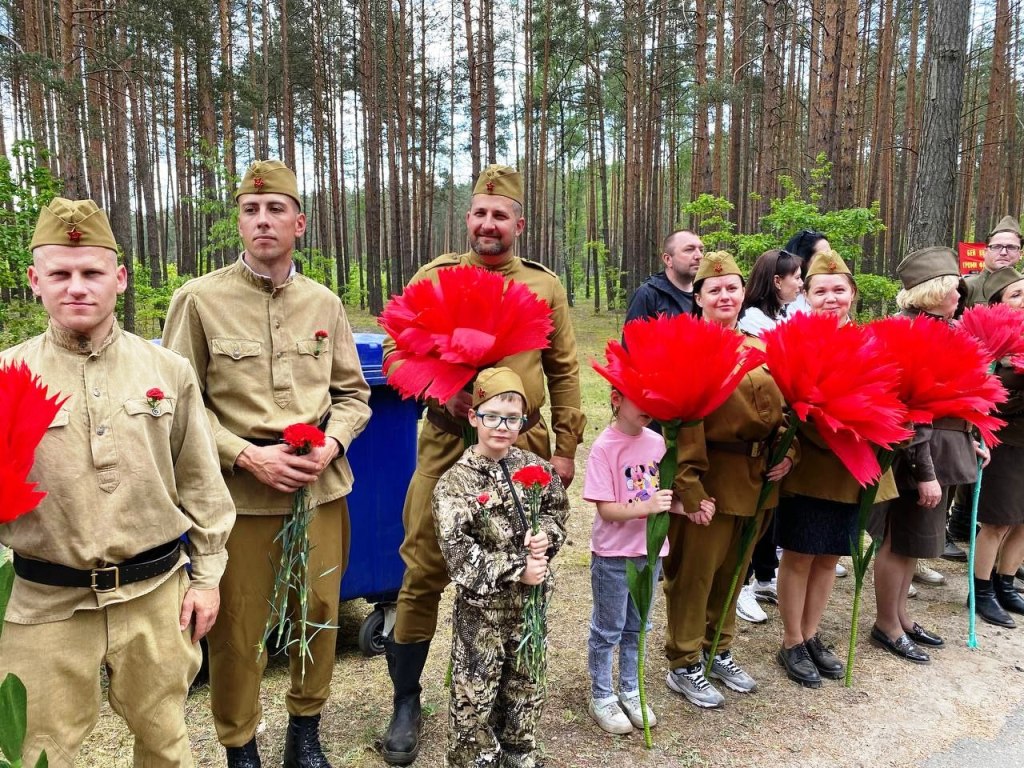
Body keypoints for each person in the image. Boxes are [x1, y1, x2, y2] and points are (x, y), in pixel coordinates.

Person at [0, 198, 235, 767]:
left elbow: (202, 485)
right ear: (35, 281)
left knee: (165, 744)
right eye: (59, 273)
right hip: (44, 604)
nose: (75, 287)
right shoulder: (7, 375)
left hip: (155, 596)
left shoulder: (167, 372)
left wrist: (205, 579)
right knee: (39, 752)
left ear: (120, 279)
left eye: (92, 272)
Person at [163, 160, 372, 768]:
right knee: (239, 628)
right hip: (241, 496)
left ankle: (305, 731)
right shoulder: (198, 301)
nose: (263, 221)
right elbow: (180, 403)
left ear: (299, 223)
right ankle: (240, 744)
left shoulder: (324, 302)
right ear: (239, 221)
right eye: (251, 210)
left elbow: (354, 396)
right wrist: (247, 455)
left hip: (319, 490)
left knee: (321, 614)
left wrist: (331, 445)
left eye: (276, 209)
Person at [381, 164, 585, 765]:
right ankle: (406, 700)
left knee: (518, 567)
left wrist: (567, 447)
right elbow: (395, 348)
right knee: (422, 567)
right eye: (479, 213)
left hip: (522, 448)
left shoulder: (543, 288)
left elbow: (565, 369)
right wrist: (440, 395)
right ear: (468, 218)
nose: (488, 224)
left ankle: (507, 702)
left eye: (500, 215)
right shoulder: (437, 276)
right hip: (447, 440)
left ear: (519, 223)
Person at [663, 251, 797, 709]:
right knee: (695, 575)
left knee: (734, 573)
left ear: (744, 293)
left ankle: (716, 647)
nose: (725, 295)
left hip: (758, 480)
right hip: (711, 479)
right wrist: (690, 489)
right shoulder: (687, 345)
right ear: (697, 296)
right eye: (713, 289)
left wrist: (789, 453)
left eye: (732, 287)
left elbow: (785, 411)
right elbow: (679, 423)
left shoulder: (760, 348)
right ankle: (683, 661)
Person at [432, 367, 569, 767]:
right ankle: (477, 757)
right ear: (474, 417)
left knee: (526, 682)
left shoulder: (534, 466)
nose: (502, 427)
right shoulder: (456, 483)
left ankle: (517, 751)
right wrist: (515, 568)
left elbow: (557, 511)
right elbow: (458, 554)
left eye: (512, 419)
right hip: (483, 612)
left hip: (530, 608)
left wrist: (546, 536)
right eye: (492, 416)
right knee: (475, 692)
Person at [773, 251, 898, 688]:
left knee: (829, 557)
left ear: (853, 294)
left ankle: (811, 634)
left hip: (852, 472)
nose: (830, 299)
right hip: (810, 469)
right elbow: (781, 409)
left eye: (838, 290)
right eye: (820, 291)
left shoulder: (871, 342)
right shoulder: (793, 338)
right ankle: (790, 639)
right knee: (801, 553)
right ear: (805, 295)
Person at [868, 246, 986, 665]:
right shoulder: (907, 332)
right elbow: (911, 411)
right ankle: (886, 623)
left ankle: (900, 615)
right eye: (954, 288)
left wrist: (973, 436)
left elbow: (958, 398)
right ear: (934, 291)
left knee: (913, 543)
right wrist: (925, 472)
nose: (961, 295)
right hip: (918, 455)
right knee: (898, 541)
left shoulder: (946, 329)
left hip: (945, 449)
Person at [582, 388, 672, 734]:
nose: (648, 408)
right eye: (640, 399)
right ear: (616, 399)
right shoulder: (605, 447)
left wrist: (690, 508)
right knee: (608, 628)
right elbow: (607, 509)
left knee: (638, 626)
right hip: (614, 556)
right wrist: (645, 507)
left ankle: (631, 690)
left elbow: (666, 496)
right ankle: (602, 694)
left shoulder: (658, 443)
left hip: (650, 554)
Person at [736, 248, 806, 621]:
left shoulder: (787, 316)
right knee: (753, 515)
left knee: (768, 513)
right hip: (759, 426)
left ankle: (760, 577)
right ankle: (743, 585)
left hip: (780, 428)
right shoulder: (753, 325)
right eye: (795, 276)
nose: (800, 282)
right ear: (776, 282)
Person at [948, 216, 1023, 559]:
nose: (1004, 252)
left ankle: (988, 541)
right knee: (959, 449)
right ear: (986, 250)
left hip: (1007, 381)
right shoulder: (968, 285)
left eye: (1011, 247)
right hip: (971, 372)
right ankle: (955, 524)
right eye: (998, 246)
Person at [971, 267, 1024, 627]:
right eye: (1016, 294)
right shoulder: (987, 344)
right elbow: (985, 399)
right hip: (1002, 442)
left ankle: (1007, 583)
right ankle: (982, 589)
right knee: (998, 521)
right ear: (997, 303)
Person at [624, 229, 704, 322]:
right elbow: (633, 335)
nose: (699, 256)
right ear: (668, 259)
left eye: (701, 250)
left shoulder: (705, 293)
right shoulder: (649, 295)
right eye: (689, 250)